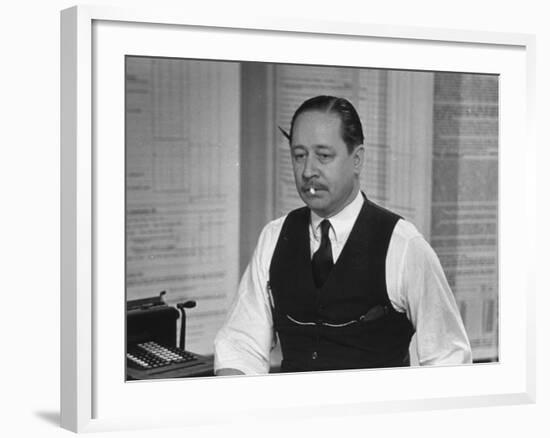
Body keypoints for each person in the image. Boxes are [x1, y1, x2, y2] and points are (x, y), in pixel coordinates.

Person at [214, 95, 472, 375]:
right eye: (299, 156)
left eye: (323, 156)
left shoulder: (404, 246)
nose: (308, 171)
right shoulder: (274, 237)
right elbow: (241, 345)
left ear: (357, 159)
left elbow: (449, 361)